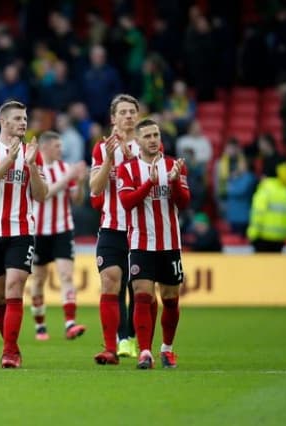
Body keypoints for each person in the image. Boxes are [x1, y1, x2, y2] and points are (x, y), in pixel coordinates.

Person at [0, 100, 48, 368]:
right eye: (17, 119)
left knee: (15, 286)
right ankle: (12, 347)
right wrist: (9, 159)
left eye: (25, 118)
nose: (23, 123)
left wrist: (31, 167)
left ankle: (8, 353)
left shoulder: (33, 153)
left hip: (22, 231)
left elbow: (41, 195)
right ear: (3, 121)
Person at [116, 118, 191, 369]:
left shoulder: (175, 166)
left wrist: (173, 182)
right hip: (140, 243)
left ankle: (167, 349)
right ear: (137, 141)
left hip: (170, 244)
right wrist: (150, 181)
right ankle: (145, 352)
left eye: (155, 135)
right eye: (147, 136)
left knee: (170, 300)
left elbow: (184, 203)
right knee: (143, 296)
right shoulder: (127, 170)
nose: (152, 140)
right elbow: (127, 203)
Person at [89, 94, 141, 364]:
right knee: (110, 281)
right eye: (123, 112)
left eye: (132, 111)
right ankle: (112, 347)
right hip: (111, 226)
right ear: (113, 118)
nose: (129, 116)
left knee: (139, 288)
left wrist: (133, 160)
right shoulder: (101, 148)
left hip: (141, 229)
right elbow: (95, 189)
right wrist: (110, 160)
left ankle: (133, 339)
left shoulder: (148, 145)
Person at [30, 131, 88, 340]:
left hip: (62, 230)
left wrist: (80, 183)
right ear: (44, 148)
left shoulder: (65, 169)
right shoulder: (36, 170)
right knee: (38, 280)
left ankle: (70, 323)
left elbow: (78, 200)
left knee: (66, 275)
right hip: (38, 232)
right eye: (56, 146)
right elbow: (43, 195)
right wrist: (68, 178)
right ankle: (40, 325)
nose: (61, 150)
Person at [246, 168, 286, 252]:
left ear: (264, 177)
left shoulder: (263, 192)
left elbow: (258, 215)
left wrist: (252, 234)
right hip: (281, 238)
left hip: (263, 238)